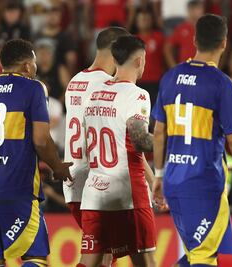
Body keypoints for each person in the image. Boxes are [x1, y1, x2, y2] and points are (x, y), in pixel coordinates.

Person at [152, 14, 232, 267]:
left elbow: (159, 133)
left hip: (173, 179)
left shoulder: (170, 78)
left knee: (197, 253)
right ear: (224, 43)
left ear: (194, 40)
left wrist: (159, 175)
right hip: (203, 183)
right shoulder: (222, 84)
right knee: (204, 256)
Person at [77, 35, 156, 267]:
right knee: (146, 262)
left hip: (93, 193)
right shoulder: (137, 95)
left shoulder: (93, 93)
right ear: (140, 61)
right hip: (127, 195)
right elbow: (139, 140)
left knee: (90, 263)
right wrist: (169, 141)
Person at [0, 39, 72, 267]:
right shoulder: (34, 87)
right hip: (18, 188)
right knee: (36, 256)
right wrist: (57, 166)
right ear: (28, 66)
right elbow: (40, 140)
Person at [63, 26, 130, 267]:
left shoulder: (75, 81)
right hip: (97, 180)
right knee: (96, 256)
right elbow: (116, 135)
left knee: (102, 253)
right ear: (116, 50)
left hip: (73, 181)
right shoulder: (108, 85)